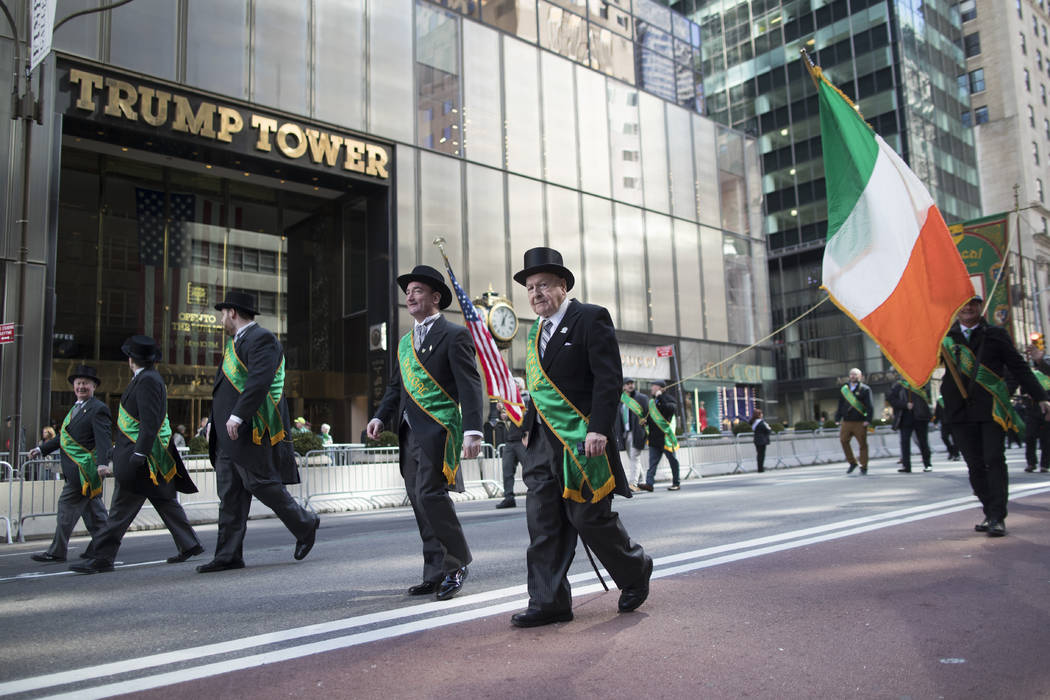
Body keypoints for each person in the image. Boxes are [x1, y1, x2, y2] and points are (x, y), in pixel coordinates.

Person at [509, 247, 652, 628]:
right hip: (541, 444)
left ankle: (635, 569)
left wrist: (600, 429)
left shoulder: (590, 317)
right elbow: (538, 393)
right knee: (543, 524)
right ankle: (549, 601)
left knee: (590, 518)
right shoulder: (534, 331)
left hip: (582, 442)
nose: (535, 293)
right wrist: (525, 430)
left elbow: (609, 378)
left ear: (563, 285)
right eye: (530, 287)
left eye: (543, 285)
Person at [367, 265, 484, 601]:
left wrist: (473, 431)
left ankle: (457, 562)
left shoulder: (454, 334)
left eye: (417, 290)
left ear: (435, 297)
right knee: (420, 502)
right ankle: (434, 572)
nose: (410, 296)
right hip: (408, 433)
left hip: (439, 431)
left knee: (432, 495)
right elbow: (396, 387)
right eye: (408, 291)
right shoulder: (405, 343)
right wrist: (379, 417)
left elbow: (470, 385)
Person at [199, 290, 320, 572]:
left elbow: (259, 381)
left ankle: (305, 524)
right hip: (227, 434)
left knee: (260, 483)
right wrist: (212, 424)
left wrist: (238, 416)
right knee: (229, 493)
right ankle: (228, 554)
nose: (221, 319)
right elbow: (225, 392)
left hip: (250, 429)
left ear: (232, 312)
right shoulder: (234, 343)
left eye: (222, 313)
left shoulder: (261, 339)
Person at [70, 336, 203, 574]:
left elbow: (150, 422)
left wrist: (139, 453)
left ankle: (102, 557)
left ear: (131, 359)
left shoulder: (148, 381)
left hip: (140, 459)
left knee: (120, 512)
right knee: (165, 501)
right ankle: (189, 543)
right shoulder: (146, 378)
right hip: (144, 457)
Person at [941, 295, 1050, 537]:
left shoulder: (995, 335)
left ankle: (998, 516)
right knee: (975, 464)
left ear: (980, 307)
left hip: (990, 408)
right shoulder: (944, 338)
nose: (968, 308)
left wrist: (1041, 396)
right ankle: (990, 511)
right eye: (963, 304)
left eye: (973, 304)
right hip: (958, 410)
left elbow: (1018, 367)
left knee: (994, 459)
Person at [27, 365, 111, 563]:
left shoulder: (98, 409)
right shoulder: (75, 408)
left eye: (85, 384)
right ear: (74, 386)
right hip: (76, 471)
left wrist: (102, 463)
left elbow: (103, 438)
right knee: (95, 514)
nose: (81, 387)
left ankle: (57, 552)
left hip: (84, 471)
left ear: (94, 387)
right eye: (78, 383)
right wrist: (42, 449)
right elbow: (64, 438)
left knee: (66, 507)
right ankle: (104, 545)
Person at [641, 380, 681, 491]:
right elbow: (651, 419)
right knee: (652, 463)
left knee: (673, 461)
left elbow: (670, 410)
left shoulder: (668, 399)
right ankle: (649, 484)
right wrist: (645, 421)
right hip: (654, 438)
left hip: (665, 437)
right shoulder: (652, 402)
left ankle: (676, 483)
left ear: (661, 388)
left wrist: (661, 398)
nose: (652, 389)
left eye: (654, 387)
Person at [496, 377, 529, 509]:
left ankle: (536, 493)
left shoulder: (526, 397)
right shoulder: (510, 399)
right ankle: (509, 497)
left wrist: (507, 413)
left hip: (522, 439)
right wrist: (502, 410)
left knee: (529, 468)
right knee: (507, 470)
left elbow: (522, 414)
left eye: (514, 384)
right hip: (510, 440)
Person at [887, 380, 933, 473]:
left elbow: (927, 397)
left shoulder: (920, 383)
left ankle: (927, 464)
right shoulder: (898, 385)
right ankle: (906, 466)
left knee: (923, 442)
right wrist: (905, 405)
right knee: (904, 443)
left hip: (920, 417)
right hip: (905, 418)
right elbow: (892, 400)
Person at [835, 368, 873, 474]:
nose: (853, 376)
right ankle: (852, 462)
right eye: (851, 374)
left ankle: (864, 466)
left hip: (860, 421)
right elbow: (840, 405)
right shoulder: (844, 389)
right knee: (843, 440)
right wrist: (837, 418)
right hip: (846, 421)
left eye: (855, 374)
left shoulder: (865, 389)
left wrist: (868, 420)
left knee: (862, 444)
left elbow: (870, 406)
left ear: (860, 376)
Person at [617, 378, 648, 491]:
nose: (630, 386)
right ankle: (642, 481)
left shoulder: (641, 398)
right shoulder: (621, 400)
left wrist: (645, 423)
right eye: (627, 384)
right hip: (626, 433)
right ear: (624, 387)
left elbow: (647, 414)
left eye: (631, 384)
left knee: (635, 457)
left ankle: (633, 483)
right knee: (633, 458)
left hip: (637, 432)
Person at [1023, 342, 1050, 473]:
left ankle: (1045, 464)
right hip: (1033, 408)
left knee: (1046, 438)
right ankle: (1031, 463)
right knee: (1030, 436)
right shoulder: (1031, 374)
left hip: (1047, 408)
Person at [932, 396, 960, 461]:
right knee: (944, 437)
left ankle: (956, 454)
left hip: (953, 422)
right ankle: (950, 451)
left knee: (956, 439)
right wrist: (935, 421)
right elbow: (937, 412)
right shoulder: (940, 401)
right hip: (944, 423)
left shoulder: (953, 399)